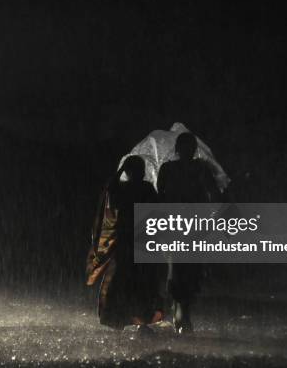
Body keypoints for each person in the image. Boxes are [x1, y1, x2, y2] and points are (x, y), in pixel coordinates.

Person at [87, 155, 164, 331]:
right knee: (138, 280)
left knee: (125, 279)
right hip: (139, 238)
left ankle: (122, 319)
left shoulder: (124, 188)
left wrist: (120, 171)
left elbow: (111, 192)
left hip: (129, 239)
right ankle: (139, 319)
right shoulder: (145, 188)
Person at [157, 133, 220, 333]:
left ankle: (180, 309)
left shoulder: (169, 168)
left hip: (180, 222)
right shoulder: (201, 168)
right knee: (186, 267)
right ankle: (182, 311)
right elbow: (214, 195)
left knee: (180, 266)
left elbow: (160, 196)